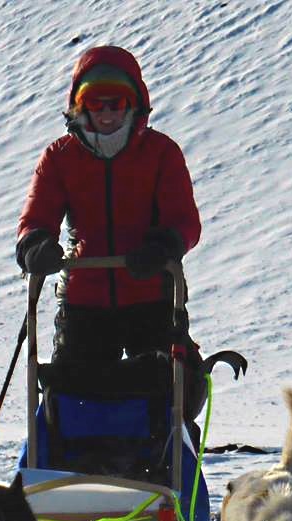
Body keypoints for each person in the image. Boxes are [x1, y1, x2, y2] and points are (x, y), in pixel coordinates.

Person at [16, 45, 203, 377]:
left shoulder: (161, 153)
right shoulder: (60, 158)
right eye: (94, 104)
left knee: (168, 391)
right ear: (80, 105)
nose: (105, 114)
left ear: (132, 103)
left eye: (115, 103)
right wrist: (35, 246)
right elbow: (37, 216)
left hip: (152, 291)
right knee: (75, 393)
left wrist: (165, 246)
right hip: (85, 296)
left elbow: (184, 220)